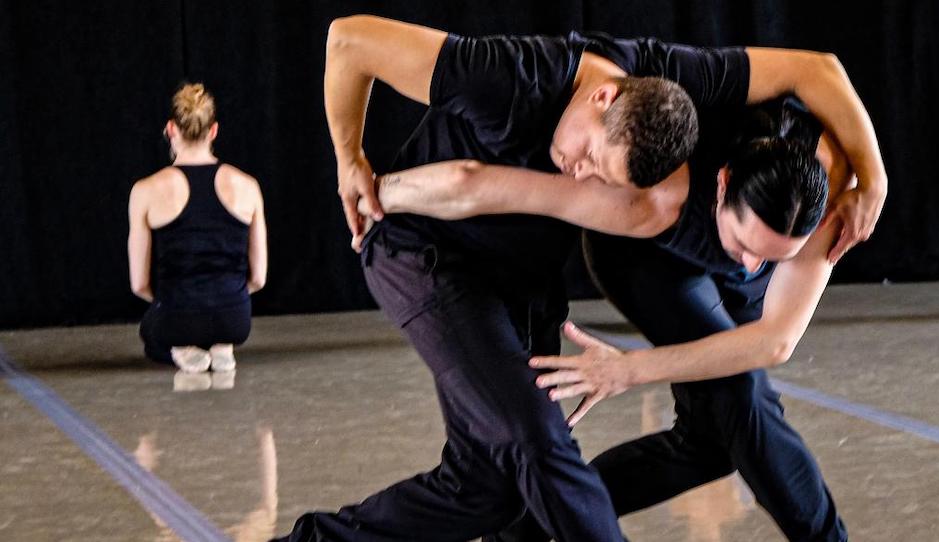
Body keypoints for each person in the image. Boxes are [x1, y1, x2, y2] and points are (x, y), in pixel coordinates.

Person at [275, 14, 882, 541]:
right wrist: (356, 170)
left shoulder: (809, 192)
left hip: (521, 275)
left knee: (497, 485)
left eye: (770, 259)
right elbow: (360, 52)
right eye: (591, 160)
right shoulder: (517, 86)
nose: (581, 176)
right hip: (444, 253)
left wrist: (873, 179)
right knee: (543, 442)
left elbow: (776, 339)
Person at [128, 83, 267, 373]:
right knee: (209, 320)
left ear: (171, 129)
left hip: (179, 316)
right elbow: (259, 279)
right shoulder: (248, 186)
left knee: (149, 332)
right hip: (236, 319)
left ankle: (186, 347)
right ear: (213, 131)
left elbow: (139, 284)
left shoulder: (145, 190)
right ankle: (220, 346)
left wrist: (176, 301)